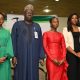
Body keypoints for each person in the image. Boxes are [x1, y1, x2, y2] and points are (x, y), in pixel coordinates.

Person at [11, 4, 45, 80]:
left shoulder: (37, 26)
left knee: (33, 74)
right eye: (28, 11)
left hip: (34, 56)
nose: (29, 13)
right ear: (24, 13)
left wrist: (41, 57)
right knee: (20, 74)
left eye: (31, 12)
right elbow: (13, 40)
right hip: (20, 55)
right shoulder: (17, 25)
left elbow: (40, 42)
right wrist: (14, 55)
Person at [63, 13, 80, 80]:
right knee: (72, 73)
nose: (74, 19)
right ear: (70, 20)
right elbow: (65, 43)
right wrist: (75, 54)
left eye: (76, 18)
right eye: (72, 18)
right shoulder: (66, 29)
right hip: (71, 54)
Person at [0, 12, 14, 80]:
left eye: (1, 19)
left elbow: (10, 46)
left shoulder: (7, 32)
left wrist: (5, 57)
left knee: (4, 76)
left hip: (4, 59)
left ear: (3, 21)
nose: (0, 20)